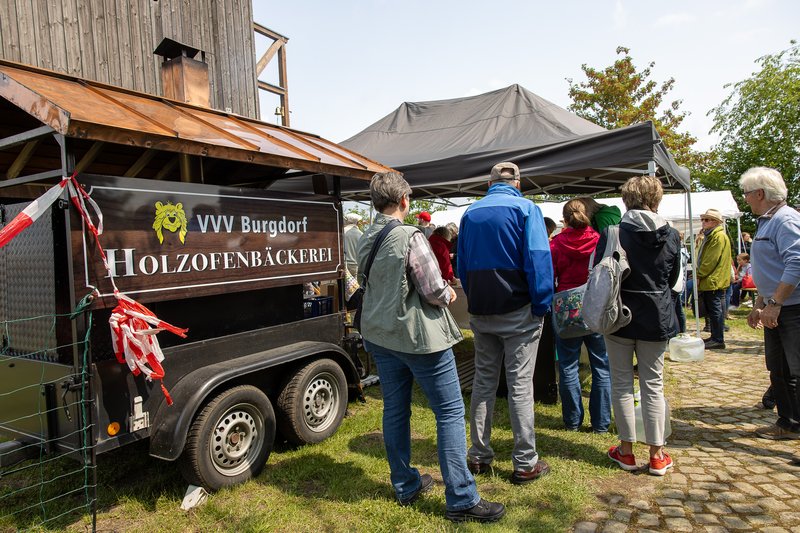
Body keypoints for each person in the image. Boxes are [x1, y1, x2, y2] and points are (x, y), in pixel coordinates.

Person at [357, 171, 505, 522]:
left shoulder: (366, 235)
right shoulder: (411, 236)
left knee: (395, 410)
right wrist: (449, 293)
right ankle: (462, 498)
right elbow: (432, 289)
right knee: (450, 412)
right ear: (405, 201)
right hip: (417, 337)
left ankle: (406, 484)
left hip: (380, 334)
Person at [457, 161, 553, 484]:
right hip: (519, 311)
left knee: (484, 382)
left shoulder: (470, 214)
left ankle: (479, 456)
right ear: (518, 183)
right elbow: (539, 260)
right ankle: (525, 462)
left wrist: (476, 301)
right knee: (519, 386)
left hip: (482, 311)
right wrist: (541, 305)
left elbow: (463, 267)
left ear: (489, 184)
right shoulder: (527, 210)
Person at [603, 175, 681, 476]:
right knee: (653, 385)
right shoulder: (671, 235)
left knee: (621, 383)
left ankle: (626, 451)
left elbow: (600, 273)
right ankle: (658, 455)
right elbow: (673, 278)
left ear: (627, 199)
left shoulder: (614, 232)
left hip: (619, 314)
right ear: (656, 198)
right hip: (657, 315)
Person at [741, 167, 800, 440]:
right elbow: (770, 268)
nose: (745, 199)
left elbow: (796, 263)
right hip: (776, 305)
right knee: (778, 369)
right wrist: (760, 303)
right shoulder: (767, 220)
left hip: (793, 308)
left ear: (761, 193)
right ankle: (788, 423)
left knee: (796, 371)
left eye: (747, 193)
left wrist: (775, 303)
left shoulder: (786, 220)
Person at [549, 198, 611, 432]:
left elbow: (550, 275)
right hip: (595, 307)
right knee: (601, 365)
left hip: (566, 308)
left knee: (567, 365)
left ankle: (572, 421)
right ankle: (601, 423)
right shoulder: (600, 241)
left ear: (564, 219)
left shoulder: (556, 244)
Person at [695, 208, 732, 350]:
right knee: (713, 310)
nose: (703, 222)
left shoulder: (718, 236)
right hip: (712, 279)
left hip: (713, 279)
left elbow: (711, 260)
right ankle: (715, 336)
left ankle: (718, 338)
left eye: (707, 219)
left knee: (715, 310)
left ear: (716, 222)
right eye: (703, 219)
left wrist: (699, 274)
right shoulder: (712, 235)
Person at [343, 212, 363, 278]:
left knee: (344, 287)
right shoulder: (361, 234)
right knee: (355, 286)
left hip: (344, 264)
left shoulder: (342, 232)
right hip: (356, 265)